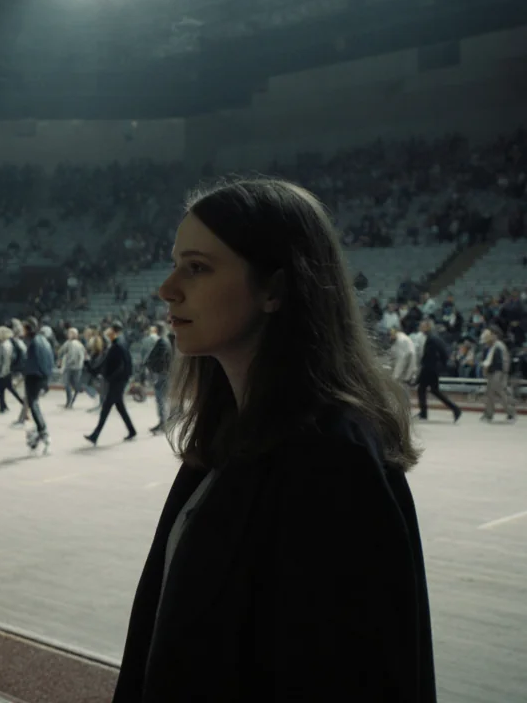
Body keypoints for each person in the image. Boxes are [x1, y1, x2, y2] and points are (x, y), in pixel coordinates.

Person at [114, 178, 434, 702]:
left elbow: (351, 678)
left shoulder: (332, 459)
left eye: (197, 267)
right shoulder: (228, 434)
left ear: (276, 289)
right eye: (175, 263)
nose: (167, 288)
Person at [85, 321, 136, 445]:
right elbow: (107, 363)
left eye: (109, 330)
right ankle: (132, 430)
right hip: (118, 381)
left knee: (106, 408)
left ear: (113, 331)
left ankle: (95, 435)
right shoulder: (117, 345)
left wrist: (112, 377)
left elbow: (123, 366)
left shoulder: (118, 345)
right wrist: (91, 368)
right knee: (120, 407)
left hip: (117, 382)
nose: (107, 332)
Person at [416, 319, 461, 422]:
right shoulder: (433, 337)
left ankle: (424, 414)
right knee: (433, 391)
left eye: (422, 326)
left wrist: (441, 364)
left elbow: (442, 353)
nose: (420, 328)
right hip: (431, 368)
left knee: (422, 389)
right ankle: (455, 409)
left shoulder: (432, 338)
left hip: (429, 368)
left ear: (427, 327)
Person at [21, 318, 54, 453]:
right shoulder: (44, 341)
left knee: (33, 403)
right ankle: (40, 431)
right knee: (34, 403)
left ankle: (42, 429)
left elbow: (30, 362)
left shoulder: (33, 343)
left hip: (34, 376)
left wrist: (24, 373)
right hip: (42, 376)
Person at [480, 327, 516, 423]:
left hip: (499, 372)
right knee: (489, 393)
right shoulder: (489, 346)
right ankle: (489, 414)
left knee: (501, 393)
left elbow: (504, 362)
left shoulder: (499, 346)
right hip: (492, 372)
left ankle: (511, 413)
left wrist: (502, 376)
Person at [144, 322, 173, 434]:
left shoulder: (162, 341)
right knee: (161, 399)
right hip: (164, 374)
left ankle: (163, 424)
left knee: (161, 399)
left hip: (162, 374)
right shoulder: (165, 341)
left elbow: (157, 357)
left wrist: (150, 365)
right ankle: (162, 423)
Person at [57, 327, 88, 409]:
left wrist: (64, 362)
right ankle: (71, 401)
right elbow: (85, 355)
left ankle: (69, 401)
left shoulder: (70, 343)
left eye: (69, 333)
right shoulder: (79, 344)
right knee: (74, 384)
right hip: (78, 367)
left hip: (70, 367)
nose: (68, 334)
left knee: (67, 384)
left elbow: (61, 352)